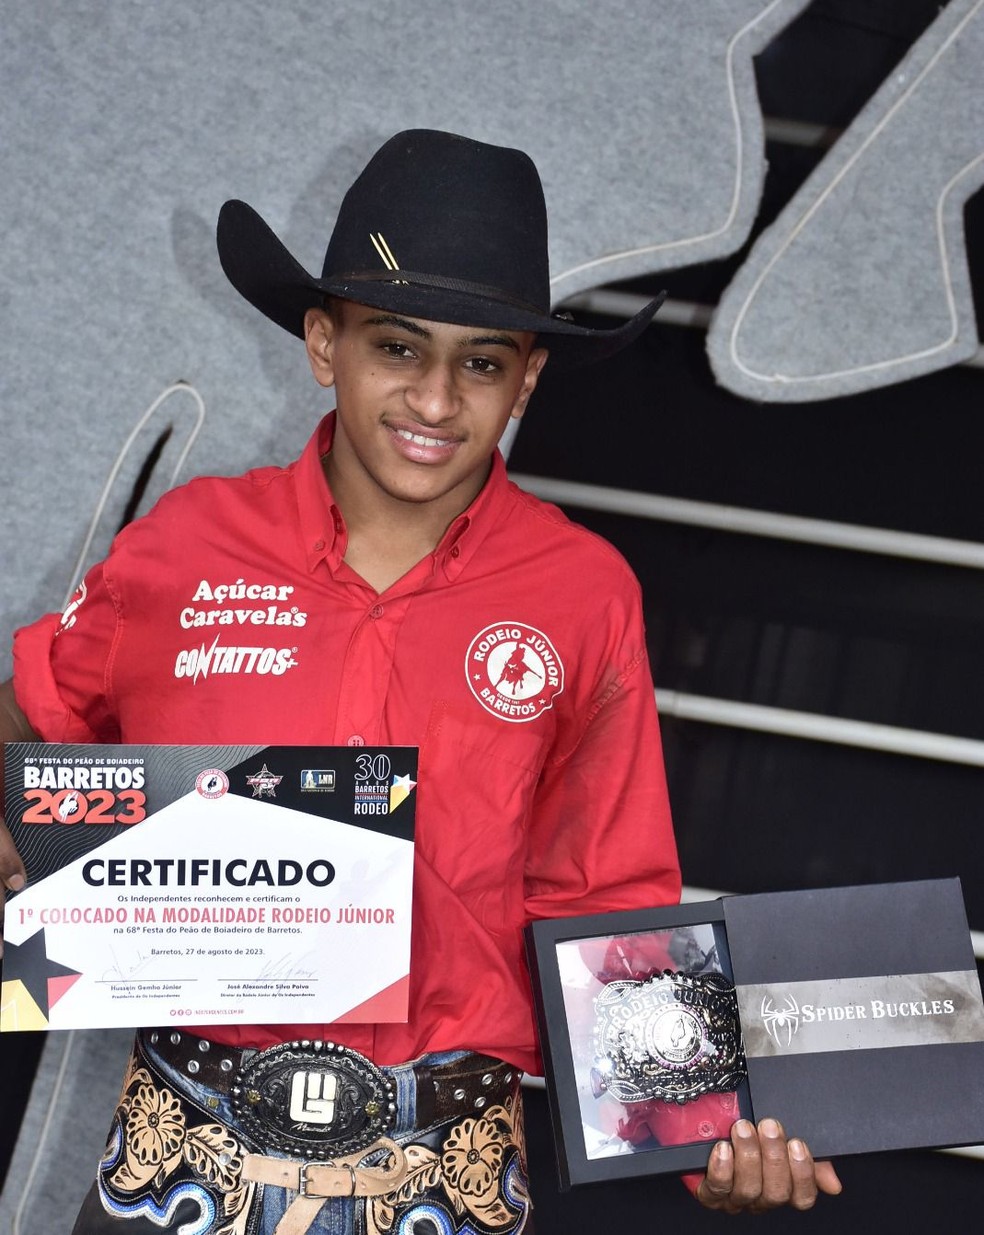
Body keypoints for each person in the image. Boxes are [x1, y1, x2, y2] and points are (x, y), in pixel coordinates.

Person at [0, 130, 840, 1233]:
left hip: (444, 1169)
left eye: (482, 361)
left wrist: (701, 1141)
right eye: (398, 346)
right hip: (176, 1158)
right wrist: (25, 832)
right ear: (323, 342)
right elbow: (37, 703)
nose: (437, 400)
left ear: (527, 378)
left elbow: (604, 891)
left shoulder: (583, 591)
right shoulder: (187, 542)